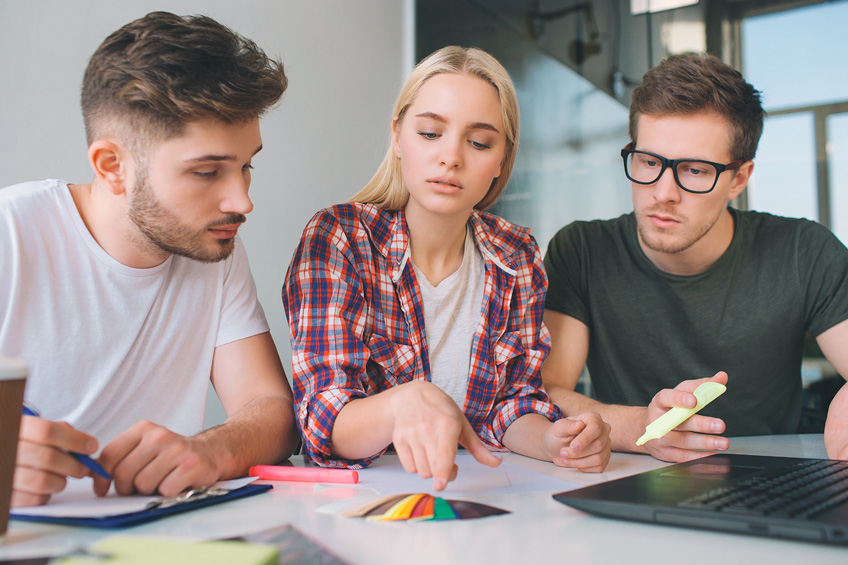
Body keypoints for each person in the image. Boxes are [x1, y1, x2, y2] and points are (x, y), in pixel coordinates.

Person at [0, 12, 299, 507]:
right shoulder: (10, 233)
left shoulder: (214, 246)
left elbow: (270, 410)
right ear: (113, 166)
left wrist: (210, 450)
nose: (242, 201)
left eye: (247, 166)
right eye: (207, 172)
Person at [283, 46, 611, 491]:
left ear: (501, 161)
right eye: (430, 133)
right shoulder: (338, 237)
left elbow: (511, 406)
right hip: (367, 498)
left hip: (482, 494)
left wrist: (554, 441)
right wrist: (401, 405)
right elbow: (324, 420)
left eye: (478, 142)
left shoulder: (518, 255)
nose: (451, 157)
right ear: (398, 137)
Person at [542, 52, 848, 463]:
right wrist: (638, 427)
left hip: (771, 481)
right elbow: (544, 392)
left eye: (695, 171)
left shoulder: (803, 252)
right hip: (627, 477)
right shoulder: (581, 251)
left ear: (738, 178)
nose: (663, 192)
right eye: (649, 162)